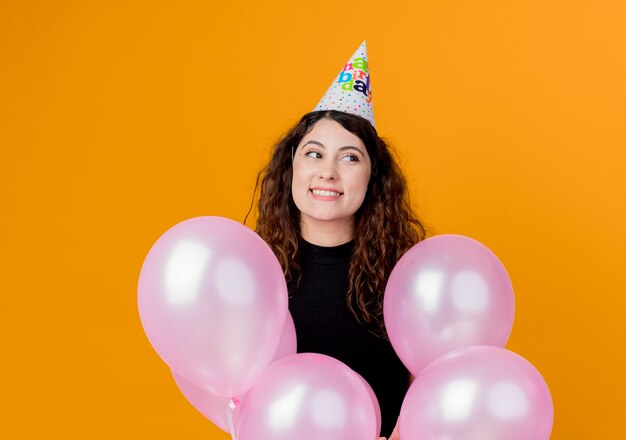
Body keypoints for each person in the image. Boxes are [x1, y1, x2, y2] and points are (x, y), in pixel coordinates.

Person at [246, 43, 427, 439]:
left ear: (373, 178)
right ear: (290, 166)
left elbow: (432, 387)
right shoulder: (255, 275)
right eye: (314, 154)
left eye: (349, 158)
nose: (328, 172)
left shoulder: (408, 278)